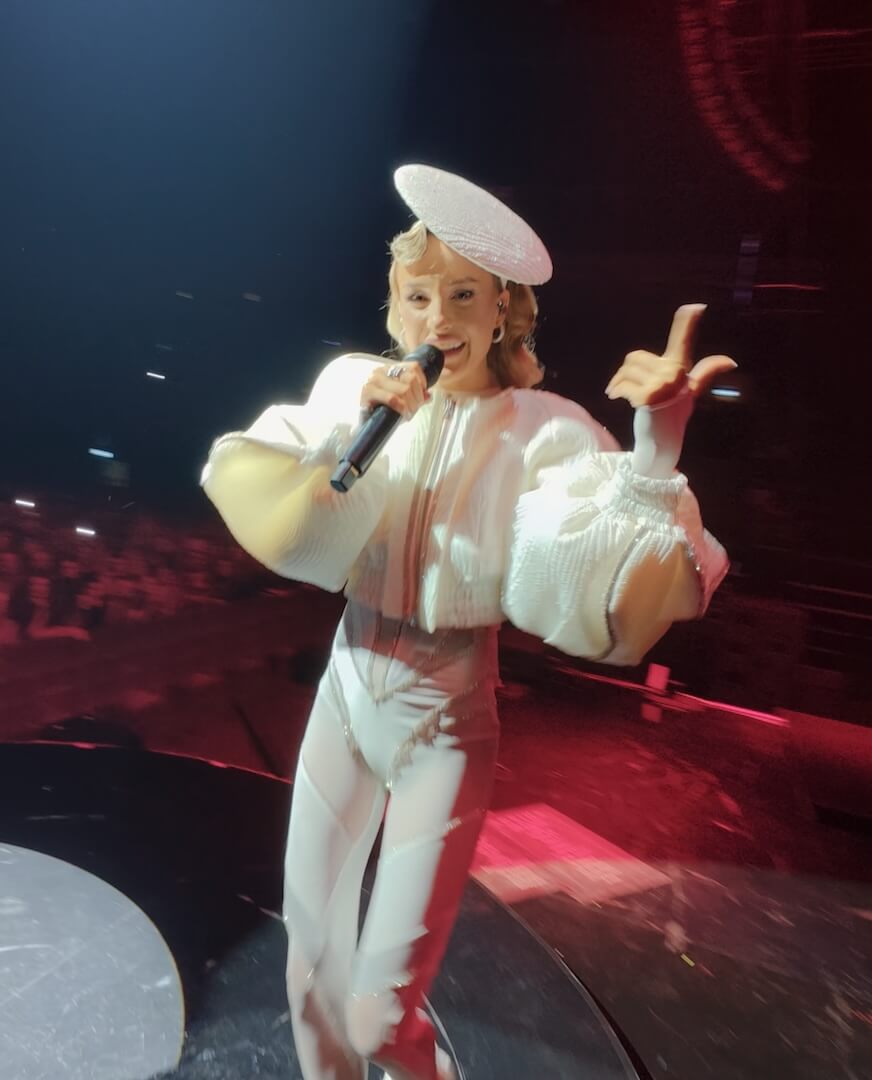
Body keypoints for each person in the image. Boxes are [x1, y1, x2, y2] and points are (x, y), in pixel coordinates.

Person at [201, 165, 733, 1080]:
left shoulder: (547, 429)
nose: (438, 318)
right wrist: (354, 427)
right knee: (310, 968)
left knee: (380, 1017)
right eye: (419, 296)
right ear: (394, 306)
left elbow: (613, 575)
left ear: (502, 312)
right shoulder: (356, 387)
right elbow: (283, 496)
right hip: (347, 686)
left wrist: (658, 448)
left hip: (446, 717)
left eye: (462, 295)